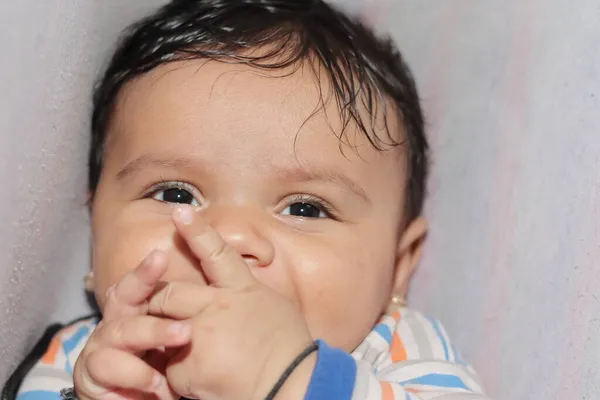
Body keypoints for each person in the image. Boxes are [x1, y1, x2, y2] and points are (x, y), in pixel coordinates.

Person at [3, 1, 492, 399]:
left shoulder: (397, 353)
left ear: (399, 265)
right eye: (176, 193)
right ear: (96, 227)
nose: (229, 235)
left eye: (305, 207)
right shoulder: (81, 360)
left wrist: (290, 378)